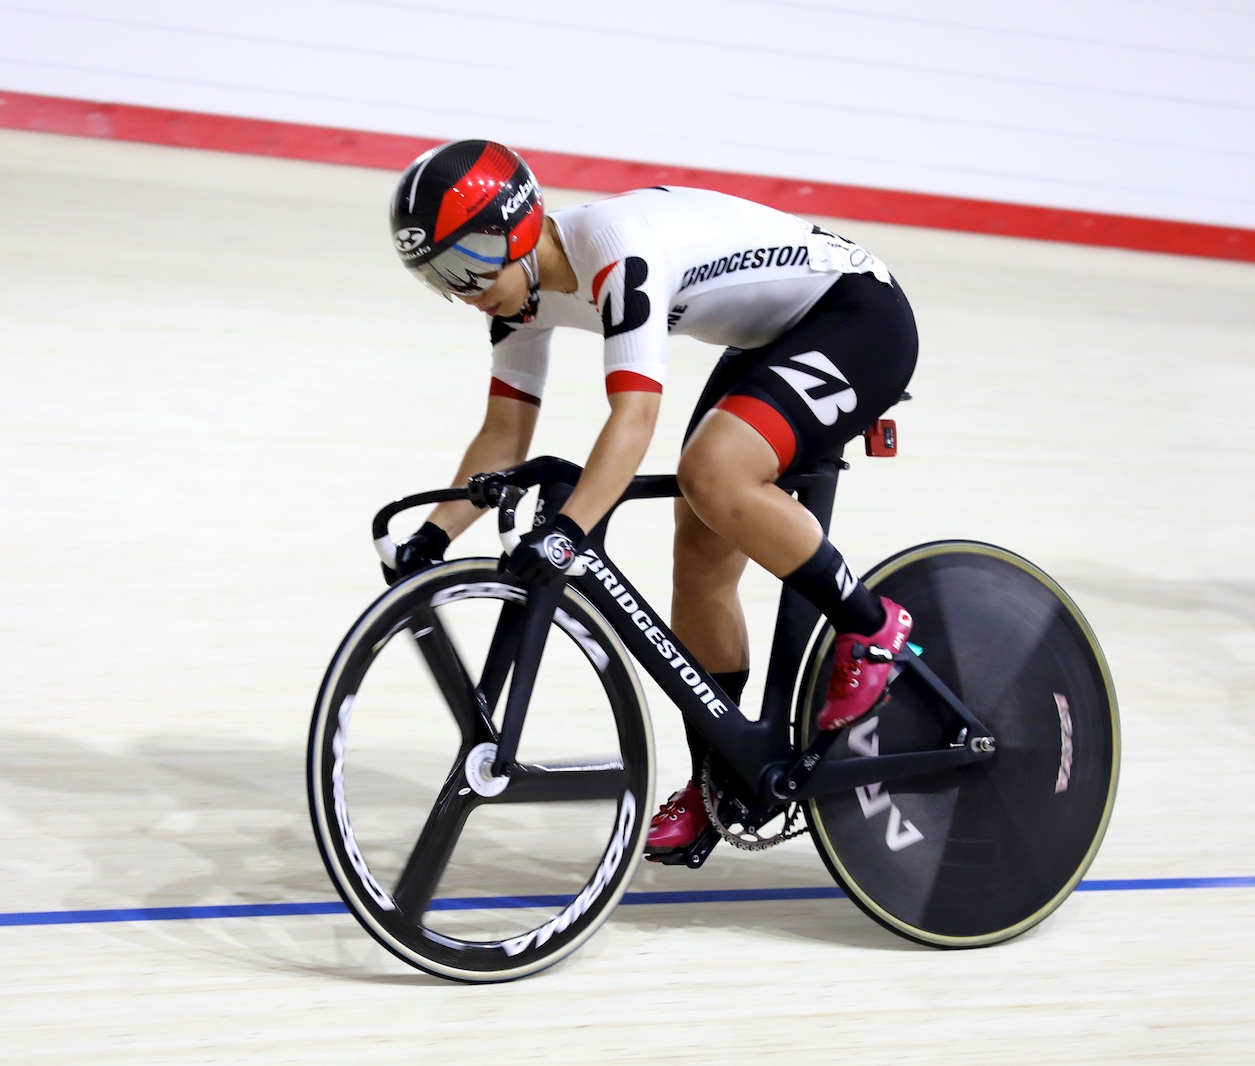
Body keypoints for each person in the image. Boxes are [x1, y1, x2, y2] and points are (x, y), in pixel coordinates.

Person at [385, 139, 918, 860]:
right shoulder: (516, 299)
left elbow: (634, 417)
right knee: (697, 548)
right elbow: (504, 433)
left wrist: (572, 529)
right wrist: (434, 536)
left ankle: (872, 625)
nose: (461, 289)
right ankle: (725, 777)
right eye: (438, 277)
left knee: (715, 472)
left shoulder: (614, 249)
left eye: (466, 263)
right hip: (770, 339)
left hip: (857, 314)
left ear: (513, 225)